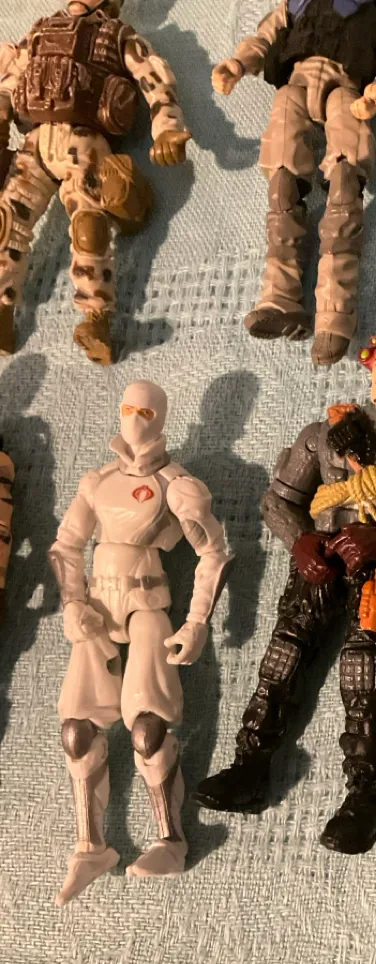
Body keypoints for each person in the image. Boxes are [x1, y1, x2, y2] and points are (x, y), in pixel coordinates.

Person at [196, 331, 376, 854]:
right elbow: (279, 500)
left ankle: (365, 796)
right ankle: (250, 764)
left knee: (361, 671)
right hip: (319, 563)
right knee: (281, 658)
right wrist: (300, 540)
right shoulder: (326, 436)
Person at [49, 380, 232, 905]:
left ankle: (170, 840)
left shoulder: (177, 484)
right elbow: (66, 546)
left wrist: (196, 621)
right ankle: (91, 847)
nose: (133, 419)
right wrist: (72, 602)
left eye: (145, 411)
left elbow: (214, 553)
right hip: (98, 608)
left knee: (149, 729)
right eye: (127, 408)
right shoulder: (98, 481)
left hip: (149, 604)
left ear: (162, 417)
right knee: (76, 732)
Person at [212, 1, 376, 366]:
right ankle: (279, 297)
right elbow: (266, 35)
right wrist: (240, 63)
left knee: (344, 187)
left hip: (345, 88)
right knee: (282, 187)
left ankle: (335, 312)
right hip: (296, 84)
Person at [0, 1, 191, 365]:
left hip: (84, 143)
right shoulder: (39, 31)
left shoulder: (117, 35)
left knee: (89, 227)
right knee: (6, 221)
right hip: (36, 142)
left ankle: (96, 319)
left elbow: (153, 77)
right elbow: (10, 80)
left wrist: (167, 126)